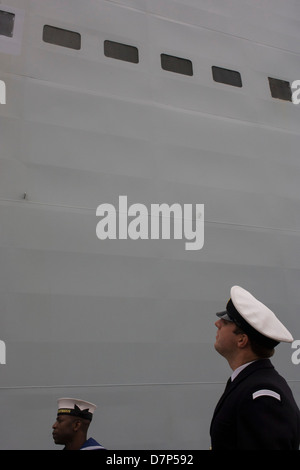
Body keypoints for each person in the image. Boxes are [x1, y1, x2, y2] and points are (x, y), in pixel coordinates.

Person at [210, 285, 300, 450]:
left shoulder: (263, 396)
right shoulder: (248, 383)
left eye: (225, 321)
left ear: (242, 340)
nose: (217, 323)